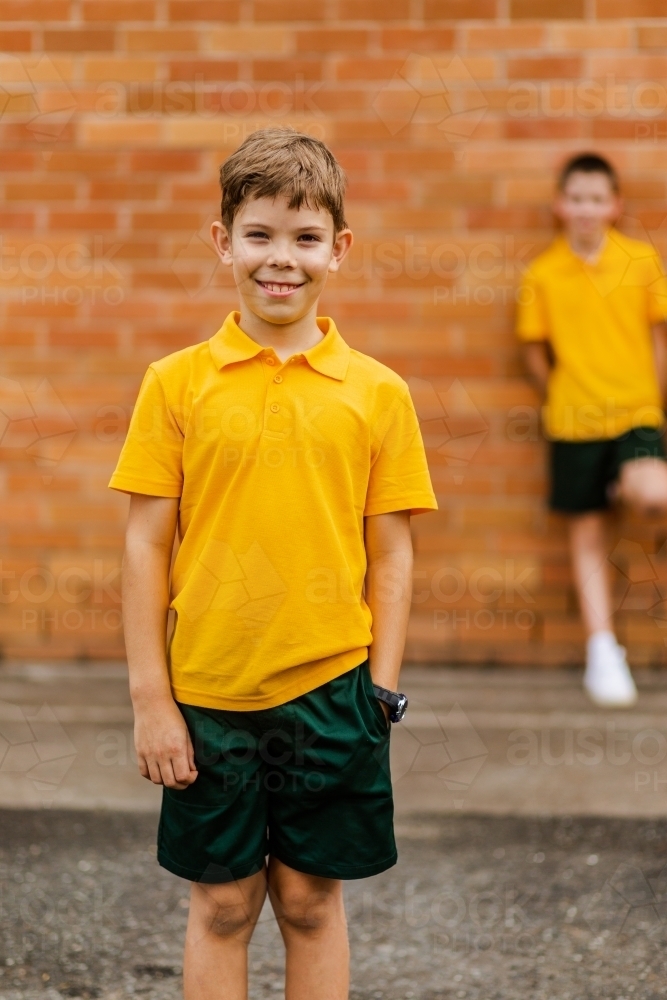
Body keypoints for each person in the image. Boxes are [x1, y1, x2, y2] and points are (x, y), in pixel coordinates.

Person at [109, 127, 437, 1000]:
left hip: (334, 690)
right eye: (259, 235)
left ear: (339, 250)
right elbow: (146, 542)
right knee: (221, 905)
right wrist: (152, 698)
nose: (279, 259)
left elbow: (391, 549)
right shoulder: (175, 383)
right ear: (224, 242)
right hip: (209, 691)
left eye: (304, 238)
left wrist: (382, 689)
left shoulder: (377, 392)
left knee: (307, 901)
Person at [517, 152, 667, 707]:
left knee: (652, 493)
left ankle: (622, 483)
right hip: (573, 421)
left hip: (636, 414)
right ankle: (603, 651)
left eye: (597, 198)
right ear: (560, 205)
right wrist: (561, 389)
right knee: (586, 536)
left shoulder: (642, 260)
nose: (586, 209)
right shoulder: (542, 274)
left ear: (615, 205)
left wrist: (654, 400)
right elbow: (534, 352)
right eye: (576, 198)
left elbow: (659, 341)